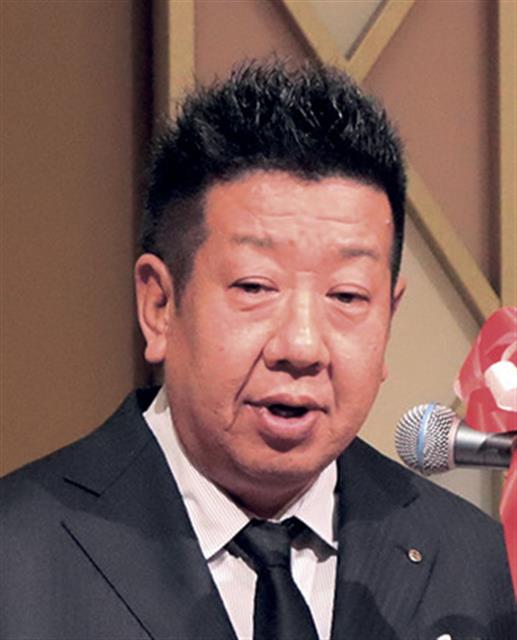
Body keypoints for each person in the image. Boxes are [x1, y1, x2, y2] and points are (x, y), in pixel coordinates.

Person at [1, 59, 515, 640]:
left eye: (347, 296)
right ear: (159, 305)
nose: (302, 346)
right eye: (255, 287)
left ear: (389, 318)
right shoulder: (18, 552)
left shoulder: (470, 561)